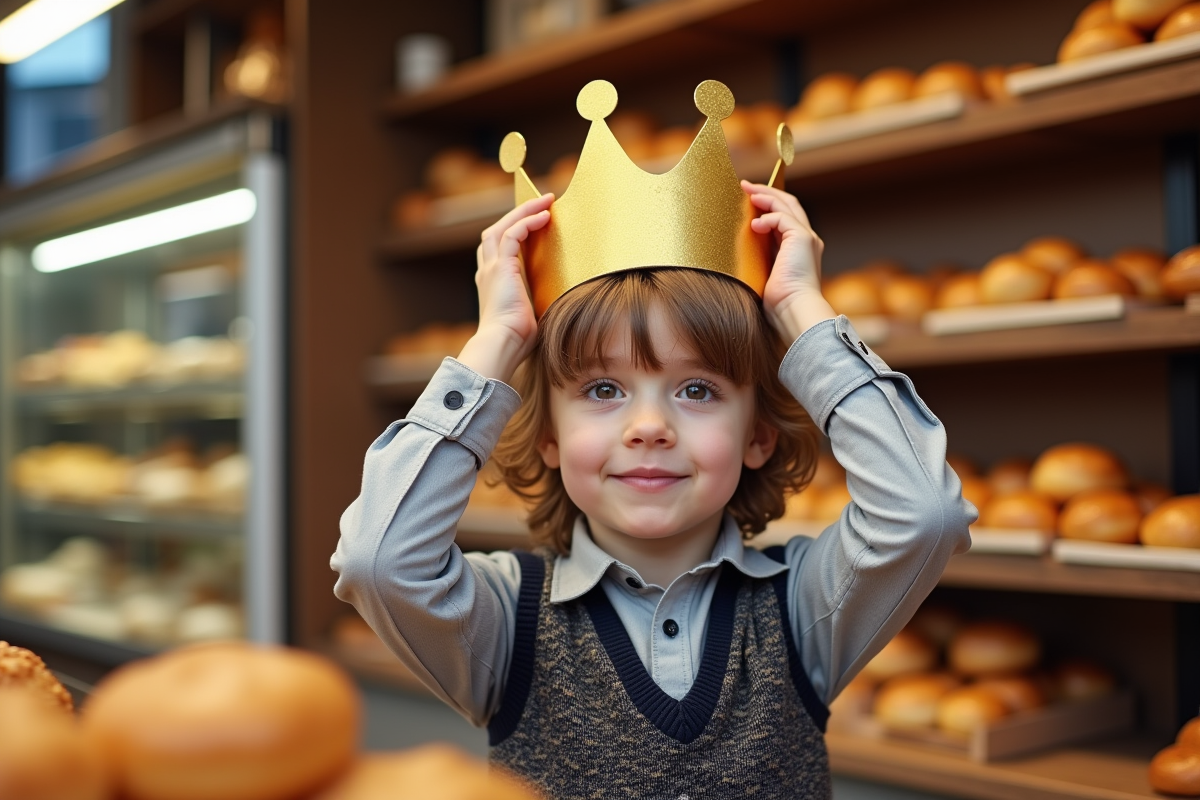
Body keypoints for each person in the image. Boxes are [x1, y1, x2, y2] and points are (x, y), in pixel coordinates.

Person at [332, 118, 974, 798]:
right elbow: (379, 559)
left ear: (758, 434)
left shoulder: (806, 607)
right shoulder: (502, 620)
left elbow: (924, 514)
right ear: (547, 435)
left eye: (697, 390)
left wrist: (803, 315)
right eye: (602, 390)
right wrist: (497, 338)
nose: (648, 427)